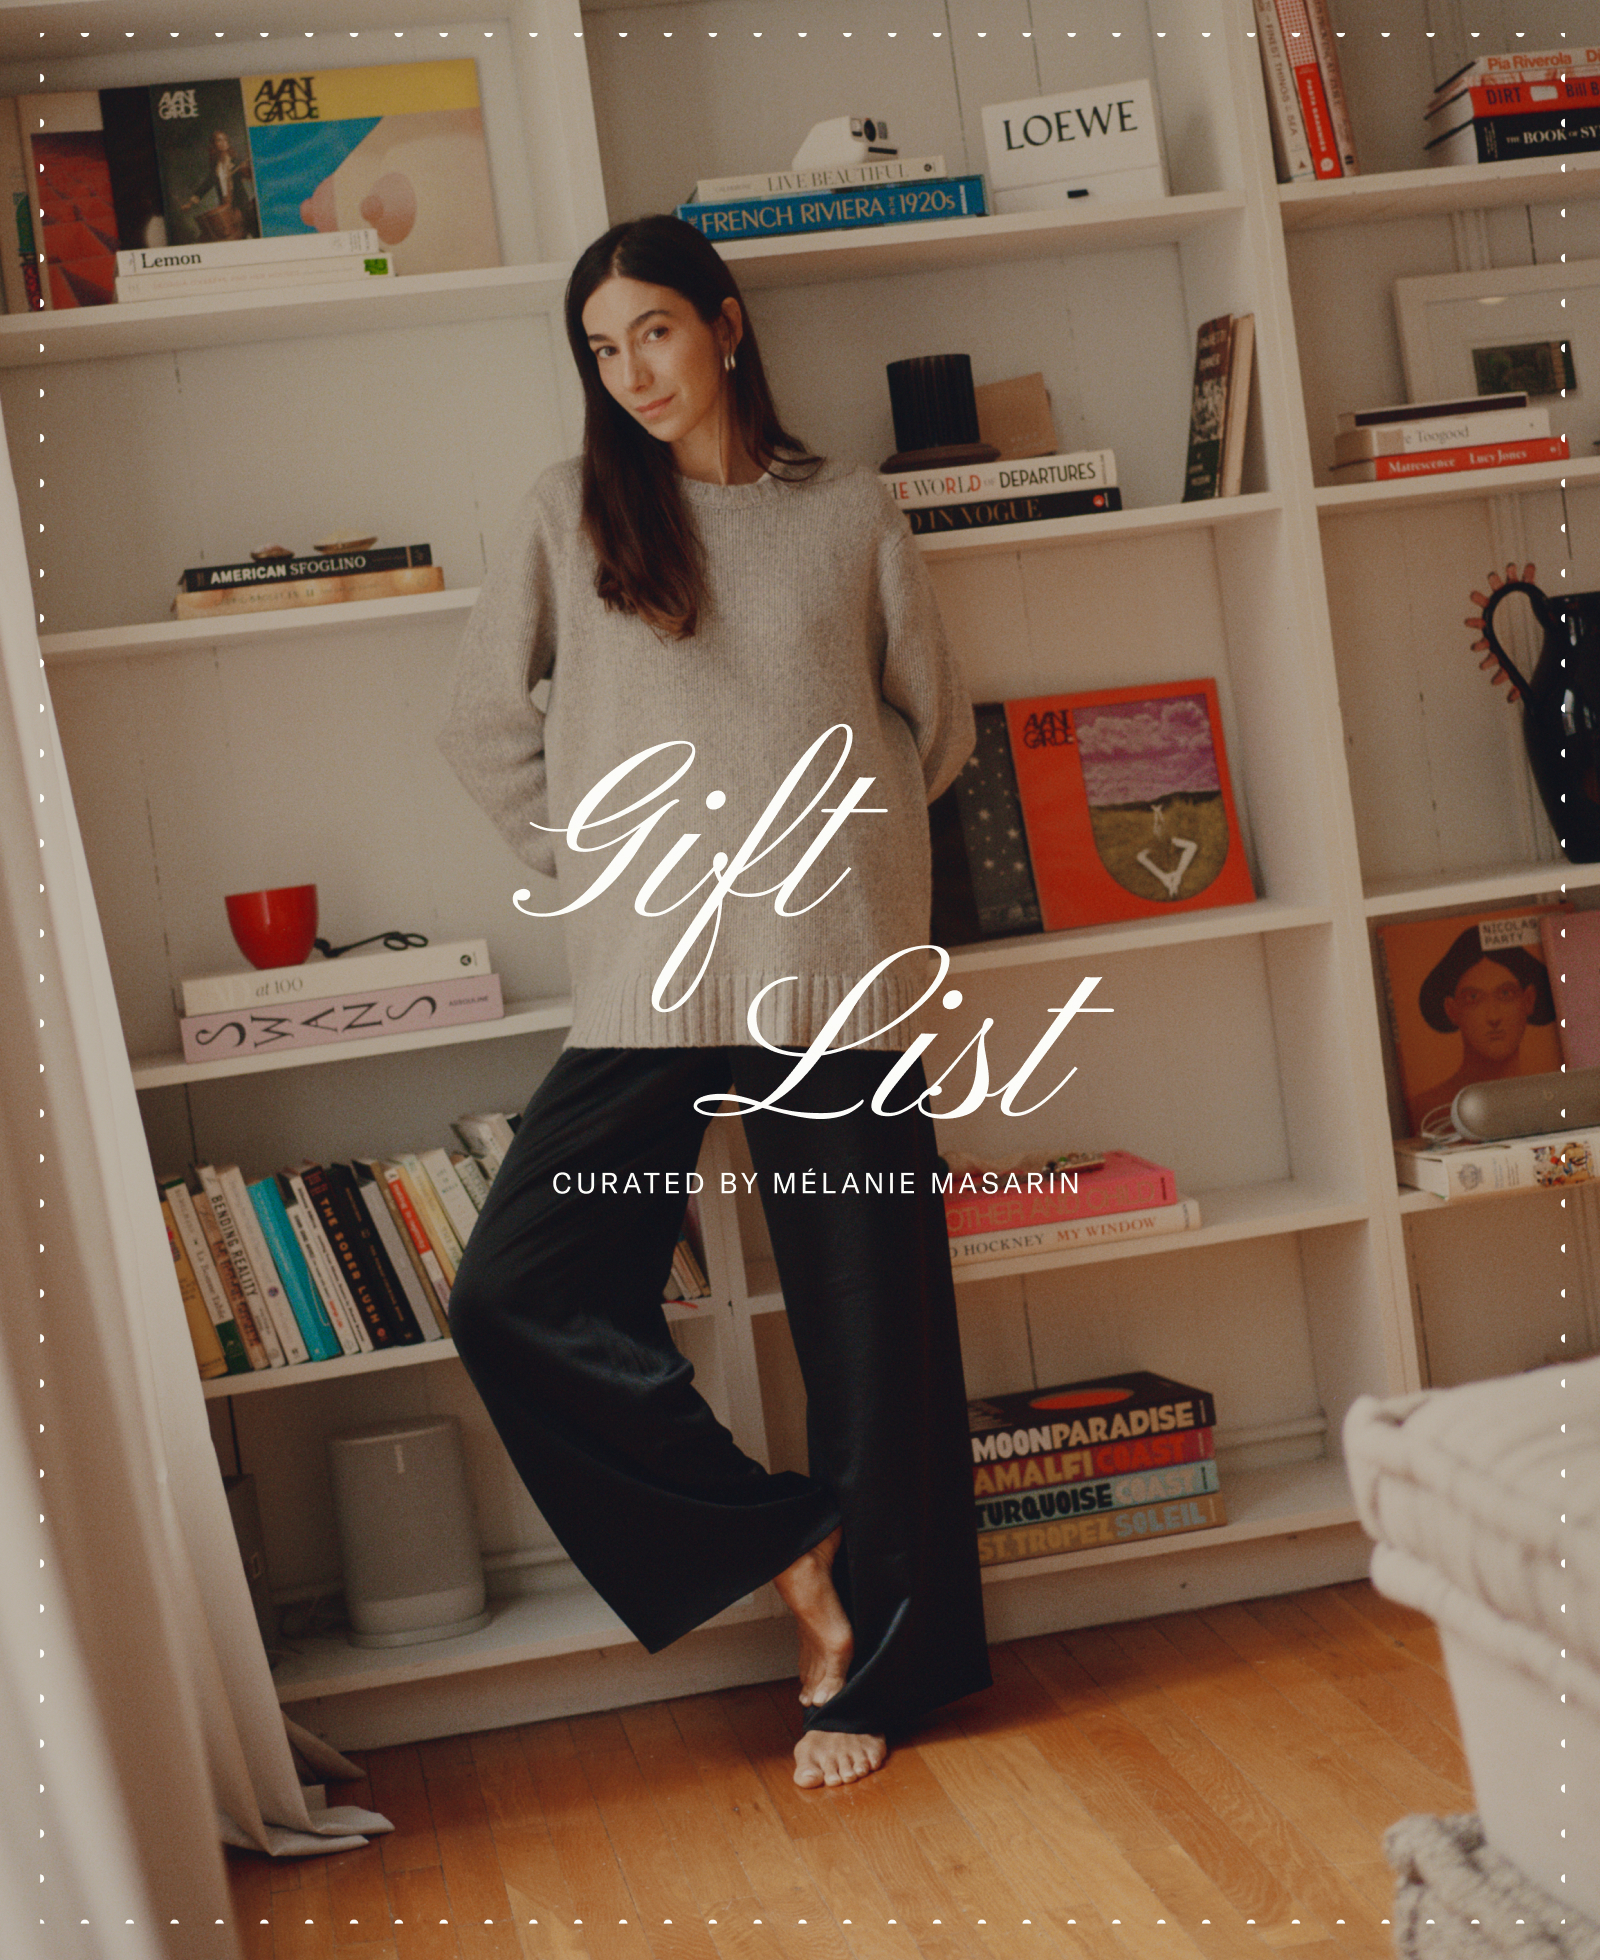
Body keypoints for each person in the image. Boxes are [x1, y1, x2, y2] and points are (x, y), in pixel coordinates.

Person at [435, 214, 991, 1789]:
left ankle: (879, 1673)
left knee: (877, 1341)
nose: (634, 374)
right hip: (648, 981)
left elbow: (929, 733)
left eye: (656, 334)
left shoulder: (851, 511)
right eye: (604, 352)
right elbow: (482, 726)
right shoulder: (572, 514)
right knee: (517, 1292)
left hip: (834, 971)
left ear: (728, 327)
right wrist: (598, 865)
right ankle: (785, 1538)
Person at [1409, 926, 1558, 1134]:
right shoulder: (1428, 1111)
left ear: (1528, 1000)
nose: (1493, 1017)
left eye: (1506, 994)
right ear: (1452, 1011)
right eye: (1473, 998)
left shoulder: (1559, 1098)